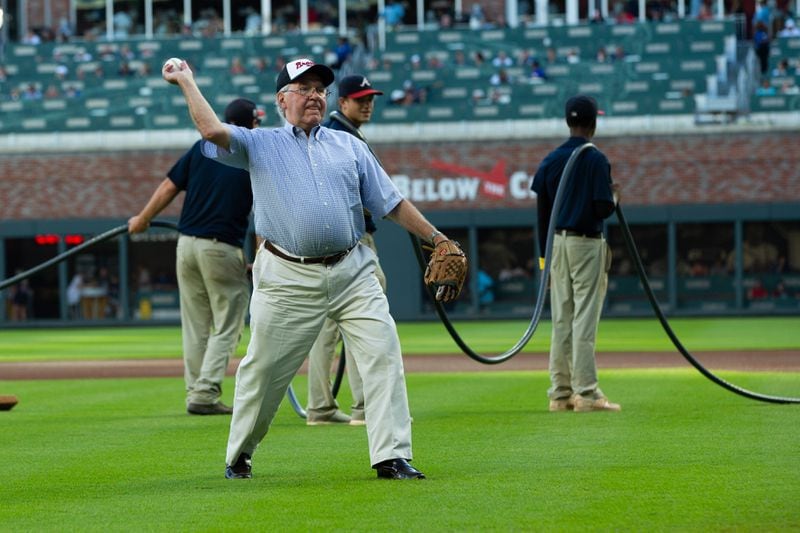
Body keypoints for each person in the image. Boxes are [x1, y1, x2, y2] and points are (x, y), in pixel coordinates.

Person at [162, 56, 464, 480]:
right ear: (282, 100)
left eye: (320, 89)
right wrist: (187, 82)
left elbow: (390, 202)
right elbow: (211, 131)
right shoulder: (261, 142)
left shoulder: (350, 146)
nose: (315, 96)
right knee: (263, 371)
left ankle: (391, 455)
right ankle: (240, 453)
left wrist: (439, 239)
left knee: (383, 352)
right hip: (287, 275)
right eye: (303, 89)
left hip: (352, 270)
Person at [128, 98, 262, 416]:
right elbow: (265, 213)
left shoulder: (201, 147)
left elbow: (167, 187)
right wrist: (260, 256)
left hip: (186, 245)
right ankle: (205, 392)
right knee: (227, 324)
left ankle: (195, 391)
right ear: (253, 124)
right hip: (222, 245)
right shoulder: (253, 155)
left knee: (196, 325)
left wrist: (143, 218)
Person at [300, 74, 387, 426]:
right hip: (353, 239)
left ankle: (320, 406)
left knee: (326, 327)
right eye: (359, 98)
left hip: (330, 242)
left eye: (370, 97)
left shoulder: (335, 133)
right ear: (342, 102)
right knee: (367, 319)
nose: (366, 103)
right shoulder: (341, 135)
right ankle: (364, 407)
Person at [531, 94, 621, 413]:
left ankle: (560, 394)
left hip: (556, 244)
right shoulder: (595, 158)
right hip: (586, 242)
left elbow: (543, 213)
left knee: (561, 318)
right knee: (584, 317)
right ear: (593, 123)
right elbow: (602, 207)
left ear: (568, 122)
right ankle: (587, 392)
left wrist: (544, 258)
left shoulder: (552, 159)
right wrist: (614, 196)